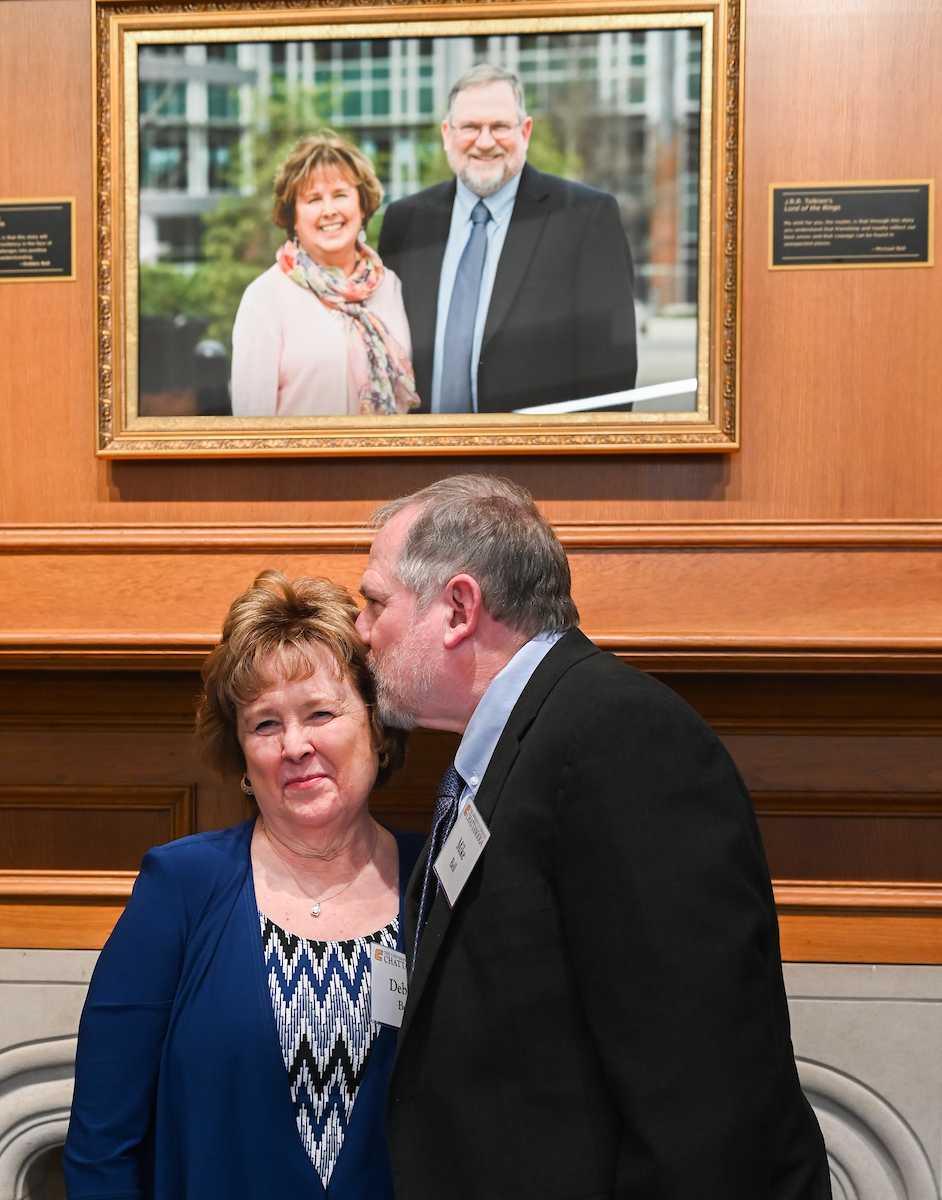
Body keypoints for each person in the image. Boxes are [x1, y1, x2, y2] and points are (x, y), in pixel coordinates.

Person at [355, 475, 831, 1200]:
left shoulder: (617, 736)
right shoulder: (515, 744)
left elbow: (701, 1089)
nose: (361, 630)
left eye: (374, 602)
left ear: (457, 607)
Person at [63, 570, 422, 1200]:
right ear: (241, 752)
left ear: (376, 723)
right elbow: (101, 1147)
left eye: (321, 712)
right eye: (264, 725)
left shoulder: (436, 886)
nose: (295, 745)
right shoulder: (180, 887)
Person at [378, 65, 638, 414]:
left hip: (536, 461)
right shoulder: (405, 222)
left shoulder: (586, 217)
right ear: (446, 133)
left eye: (499, 126)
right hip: (421, 462)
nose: (485, 142)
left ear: (525, 131)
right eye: (470, 127)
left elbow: (611, 373)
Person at [231, 133, 419, 417]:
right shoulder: (266, 297)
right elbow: (250, 428)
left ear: (362, 206)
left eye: (340, 195)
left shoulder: (388, 285)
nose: (329, 211)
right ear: (293, 215)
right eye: (313, 199)